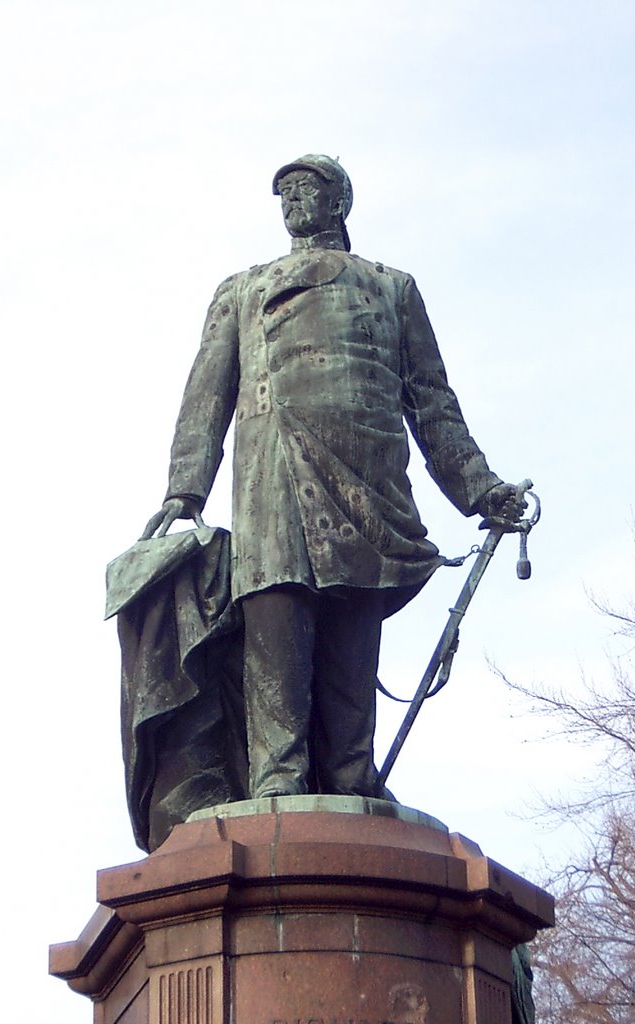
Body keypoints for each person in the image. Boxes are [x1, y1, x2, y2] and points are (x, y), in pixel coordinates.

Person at [142, 154, 523, 801]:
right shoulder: (243, 289)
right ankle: (277, 777)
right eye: (283, 192)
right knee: (277, 624)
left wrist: (481, 489)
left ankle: (351, 775)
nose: (292, 200)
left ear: (340, 201)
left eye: (307, 188)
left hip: (368, 485)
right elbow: (206, 393)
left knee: (352, 638)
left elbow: (432, 403)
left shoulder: (391, 288)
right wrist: (187, 486)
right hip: (275, 483)